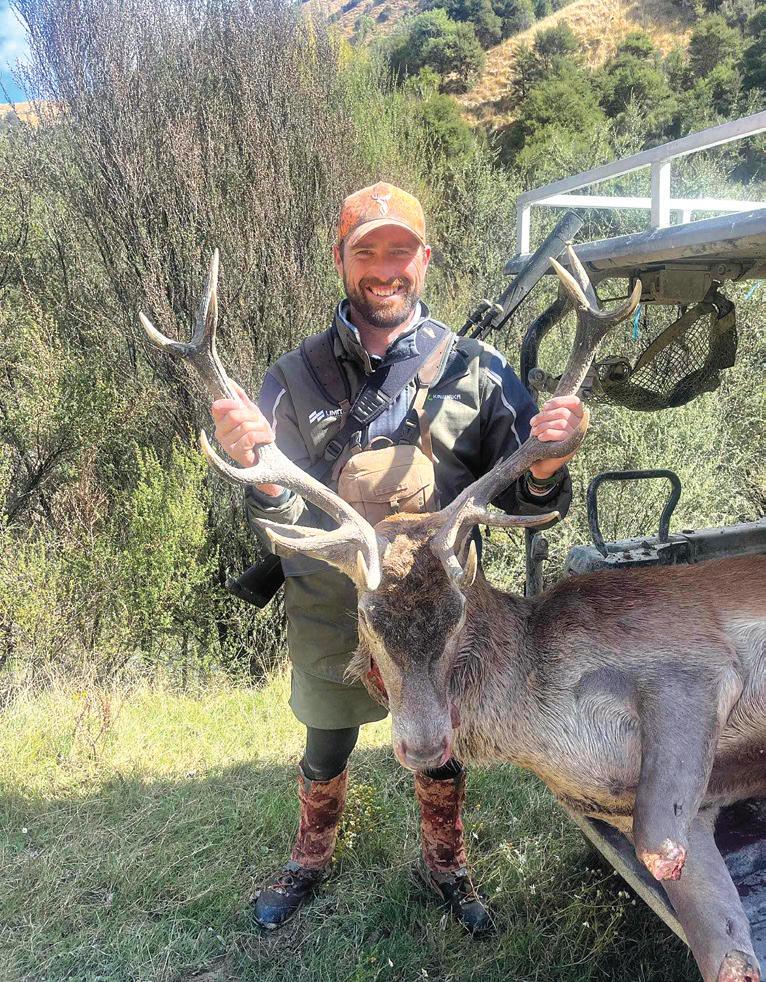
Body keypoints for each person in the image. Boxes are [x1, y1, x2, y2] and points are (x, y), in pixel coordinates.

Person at [211, 183, 585, 935]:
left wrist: (548, 461)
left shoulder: (478, 372)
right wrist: (256, 469)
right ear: (341, 260)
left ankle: (446, 863)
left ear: (424, 259)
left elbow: (527, 501)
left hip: (443, 614)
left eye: (400, 251)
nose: (384, 269)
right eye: (367, 252)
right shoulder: (295, 377)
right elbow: (284, 519)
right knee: (327, 739)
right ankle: (310, 856)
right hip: (333, 603)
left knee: (438, 741)